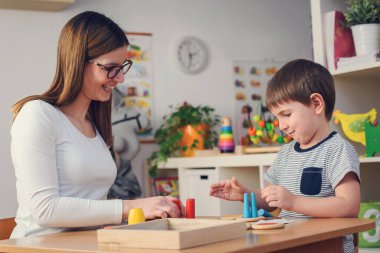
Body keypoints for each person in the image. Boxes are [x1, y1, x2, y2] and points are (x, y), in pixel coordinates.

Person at [10, 11, 182, 239]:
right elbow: (45, 209)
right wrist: (131, 207)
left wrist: (152, 209)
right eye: (111, 67)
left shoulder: (94, 123)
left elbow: (90, 205)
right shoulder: (38, 114)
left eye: (123, 66)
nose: (120, 78)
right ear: (79, 62)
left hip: (88, 244)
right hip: (38, 246)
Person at [210, 59, 360, 253]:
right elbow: (272, 203)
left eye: (286, 114)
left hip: (329, 245)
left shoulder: (338, 150)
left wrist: (294, 202)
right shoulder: (286, 153)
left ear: (316, 104)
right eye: (277, 117)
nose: (281, 125)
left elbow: (349, 206)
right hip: (292, 242)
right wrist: (246, 195)